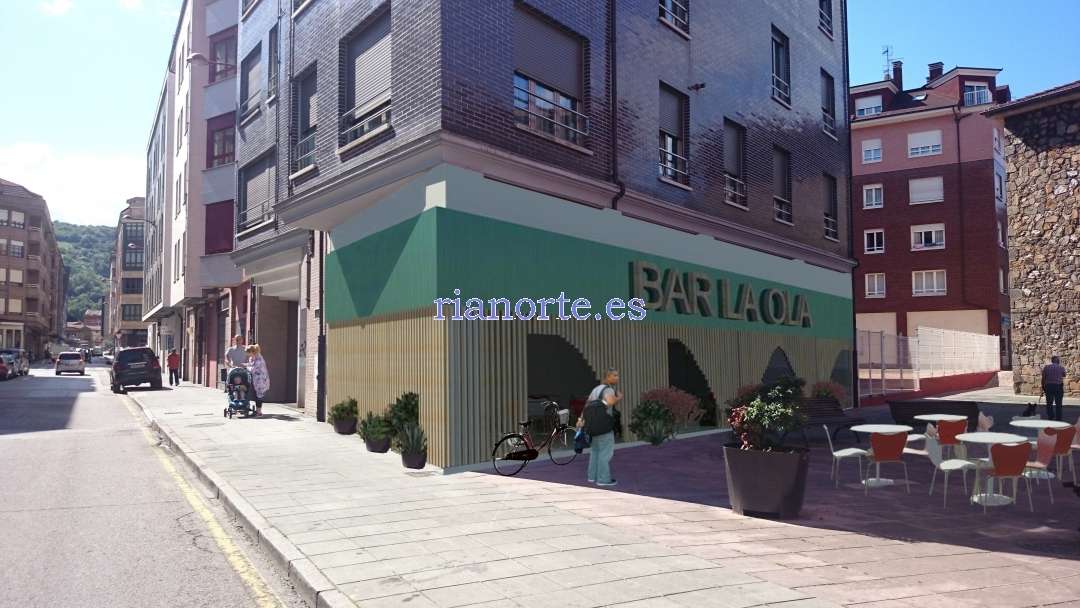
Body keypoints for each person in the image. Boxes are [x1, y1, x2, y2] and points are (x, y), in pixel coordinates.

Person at [578, 367, 622, 487]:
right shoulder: (609, 390)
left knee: (595, 451)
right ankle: (603, 479)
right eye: (614, 375)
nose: (617, 378)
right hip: (604, 426)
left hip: (593, 426)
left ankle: (592, 476)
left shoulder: (596, 389)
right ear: (607, 377)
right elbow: (610, 402)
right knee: (605, 453)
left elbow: (587, 405)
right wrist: (618, 398)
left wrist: (580, 420)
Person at [245, 344, 269, 417]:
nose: (247, 355)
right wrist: (247, 364)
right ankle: (257, 411)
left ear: (252, 352)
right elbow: (251, 364)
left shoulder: (259, 360)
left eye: (248, 353)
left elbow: (253, 369)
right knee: (256, 395)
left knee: (259, 396)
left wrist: (246, 367)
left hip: (260, 380)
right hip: (256, 379)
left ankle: (259, 412)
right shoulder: (253, 358)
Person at [1041, 355, 1067, 421]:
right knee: (1058, 403)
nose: (1059, 361)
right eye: (1058, 360)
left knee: (1049, 403)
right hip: (1058, 386)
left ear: (1052, 361)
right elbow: (1064, 375)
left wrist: (1043, 386)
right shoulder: (1061, 367)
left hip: (1049, 386)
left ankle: (1051, 416)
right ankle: (1058, 417)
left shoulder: (1046, 367)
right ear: (1057, 361)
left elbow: (1043, 378)